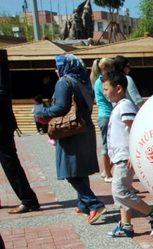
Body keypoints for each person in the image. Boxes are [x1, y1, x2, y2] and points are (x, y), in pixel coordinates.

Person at [34, 54, 106, 224]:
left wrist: (41, 112)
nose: (55, 70)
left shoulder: (64, 82)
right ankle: (83, 205)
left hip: (71, 131)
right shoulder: (83, 81)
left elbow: (60, 107)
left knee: (70, 171)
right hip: (84, 128)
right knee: (79, 169)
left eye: (57, 66)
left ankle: (94, 204)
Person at [102, 71, 153, 238]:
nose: (104, 92)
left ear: (118, 88)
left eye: (106, 88)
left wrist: (132, 153)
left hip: (125, 157)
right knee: (124, 192)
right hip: (120, 157)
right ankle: (126, 226)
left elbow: (134, 129)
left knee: (120, 191)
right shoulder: (119, 106)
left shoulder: (124, 105)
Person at [0, 50, 41, 214]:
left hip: (1, 125)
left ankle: (28, 200)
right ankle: (28, 199)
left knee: (10, 163)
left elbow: (2, 95)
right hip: (3, 122)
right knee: (10, 162)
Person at [92, 57, 114, 182]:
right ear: (105, 68)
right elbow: (109, 97)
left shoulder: (98, 81)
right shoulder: (101, 82)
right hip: (106, 116)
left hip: (105, 115)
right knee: (106, 146)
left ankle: (106, 170)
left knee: (110, 145)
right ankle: (107, 174)